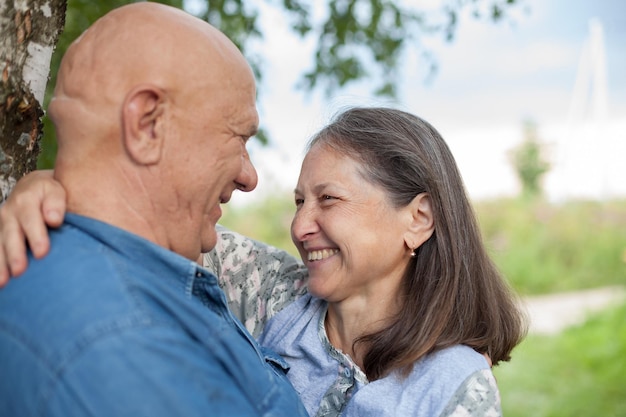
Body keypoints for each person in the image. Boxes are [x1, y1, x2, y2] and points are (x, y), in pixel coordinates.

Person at [1, 107, 527, 416]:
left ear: (419, 218)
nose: (300, 227)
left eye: (329, 200)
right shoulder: (274, 292)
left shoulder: (453, 386)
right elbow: (147, 220)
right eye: (300, 201)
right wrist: (44, 188)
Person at [0, 3, 309, 416]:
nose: (249, 177)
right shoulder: (118, 344)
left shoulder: (137, 282)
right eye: (238, 138)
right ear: (148, 124)